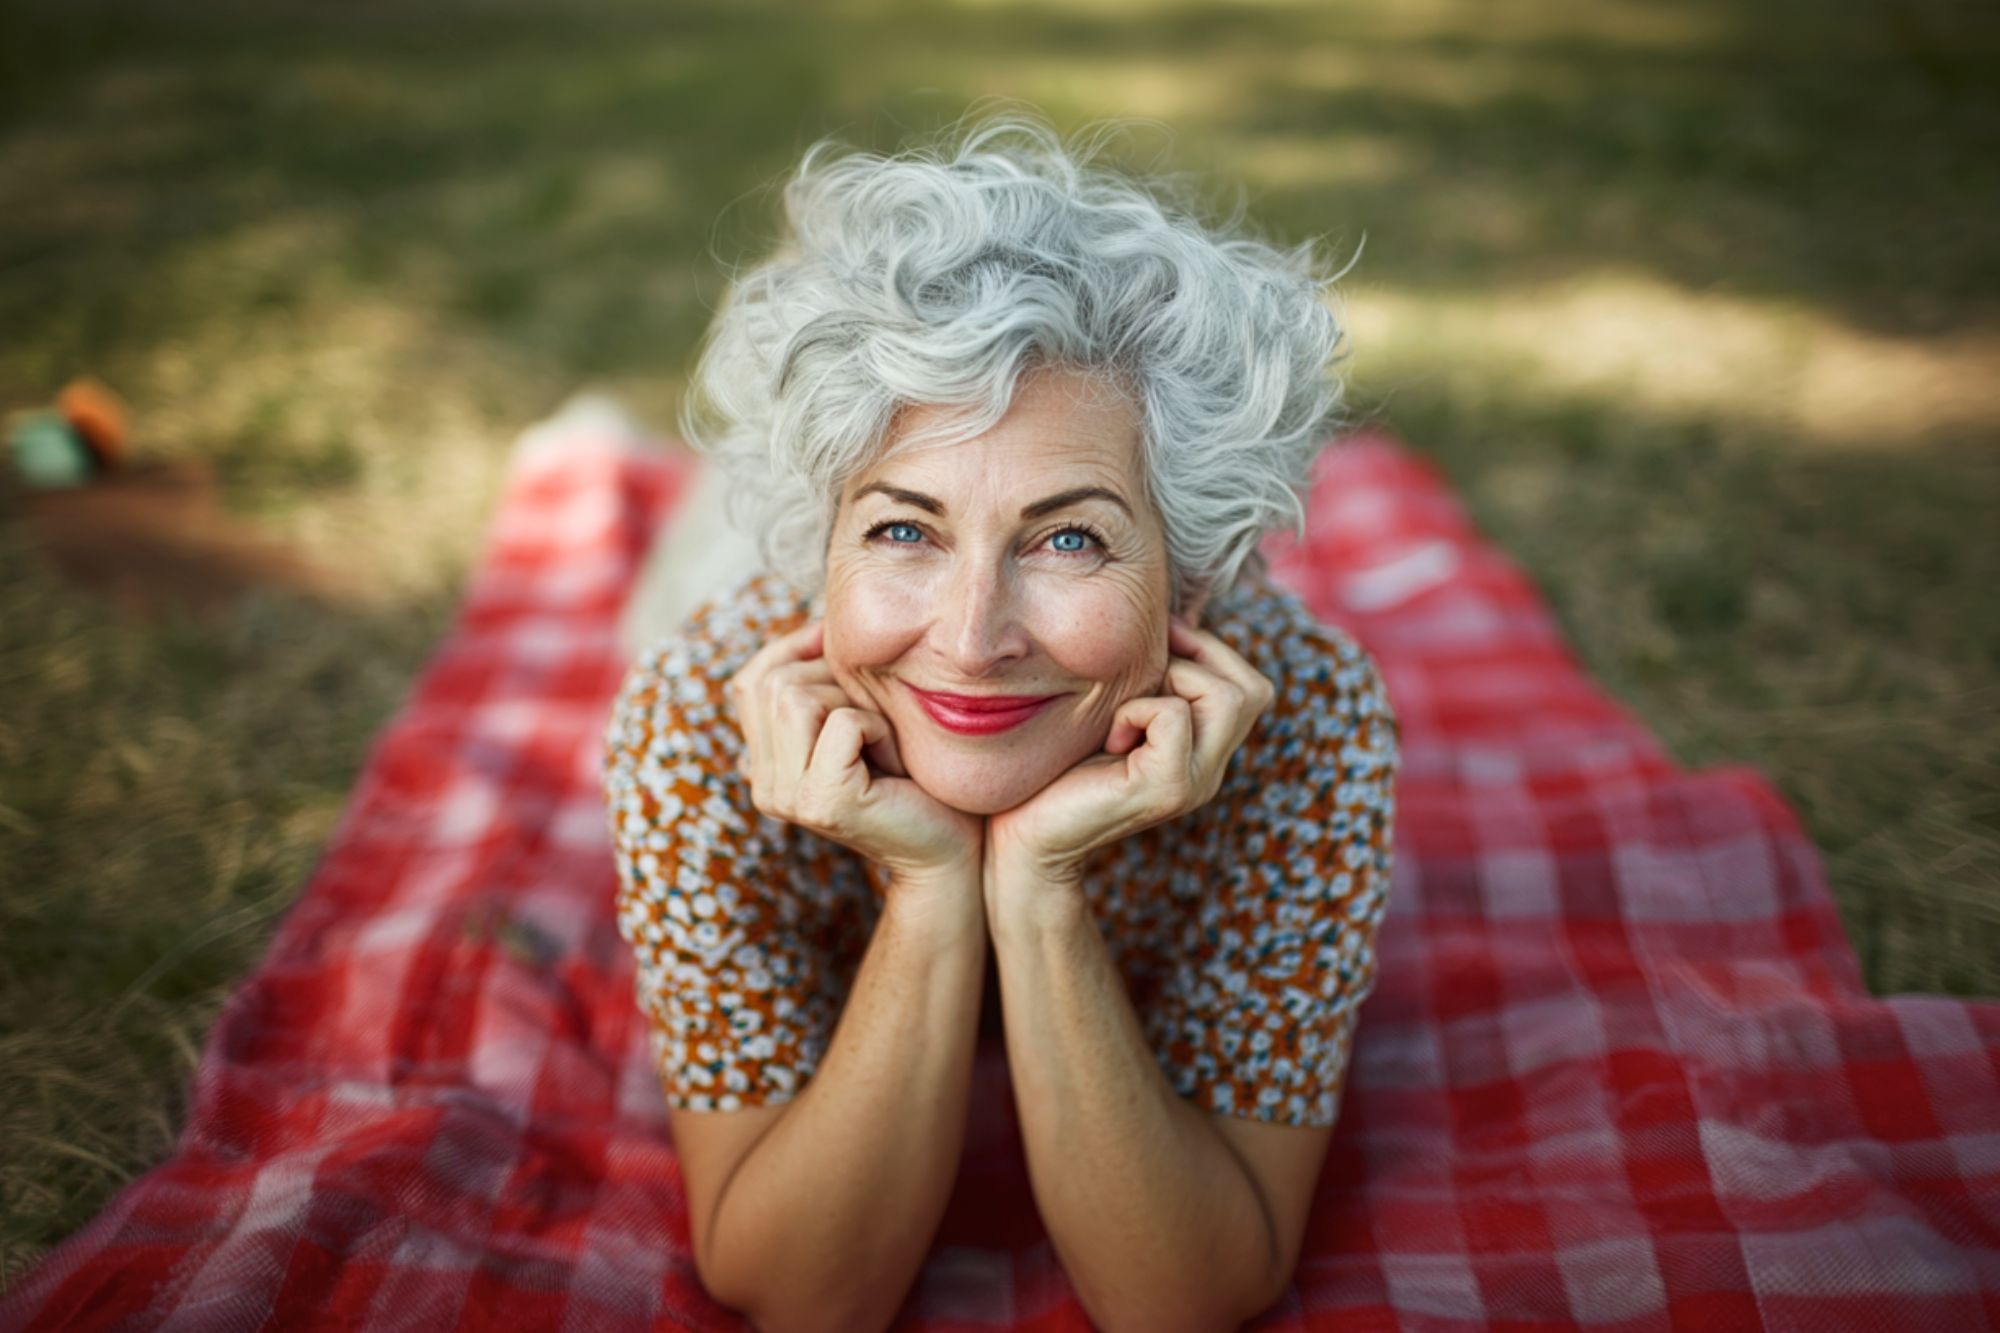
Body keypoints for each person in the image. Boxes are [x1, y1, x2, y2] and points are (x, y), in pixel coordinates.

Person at [603, 112, 1399, 1333]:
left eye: (1067, 536)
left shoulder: (1309, 724)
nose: (973, 637)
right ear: (822, 547)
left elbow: (1185, 1299)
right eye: (901, 529)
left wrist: (1037, 887)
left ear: (1190, 582)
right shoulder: (691, 724)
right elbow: (797, 1297)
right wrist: (928, 890)